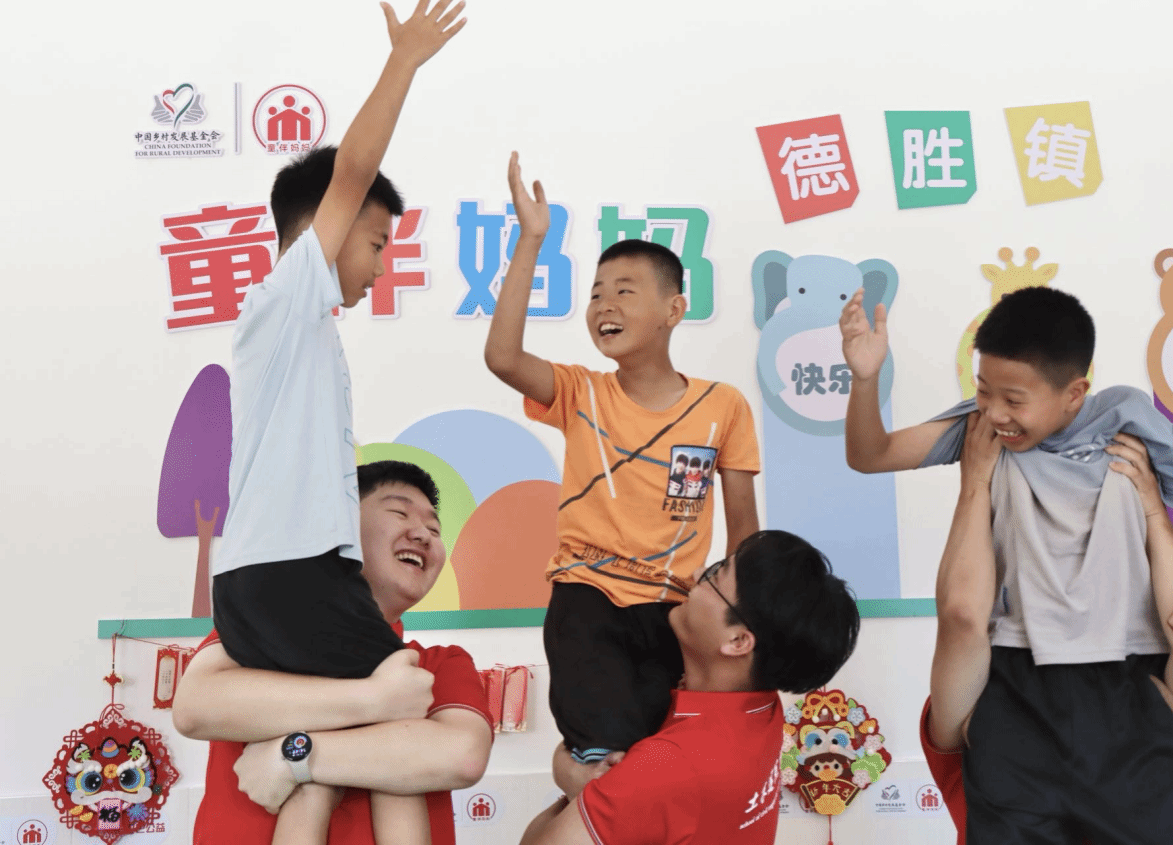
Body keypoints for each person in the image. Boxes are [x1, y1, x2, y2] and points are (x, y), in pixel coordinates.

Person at [839, 285, 1173, 842]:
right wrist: (864, 379)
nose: (996, 411)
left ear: (1075, 393)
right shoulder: (982, 429)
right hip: (1018, 665)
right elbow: (870, 454)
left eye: (1014, 399)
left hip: (1130, 663)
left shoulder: (1127, 414)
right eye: (983, 390)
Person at [204, 4, 467, 842]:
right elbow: (352, 169)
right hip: (295, 572)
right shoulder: (288, 299)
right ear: (334, 226)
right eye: (379, 243)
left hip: (266, 579)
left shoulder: (306, 334)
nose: (383, 265)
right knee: (403, 706)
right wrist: (405, 63)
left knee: (333, 739)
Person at [484, 154, 762, 795]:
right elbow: (502, 356)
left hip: (676, 612)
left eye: (625, 291)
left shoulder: (723, 406)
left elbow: (745, 533)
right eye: (595, 294)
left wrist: (741, 621)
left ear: (674, 308)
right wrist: (531, 241)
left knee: (663, 768)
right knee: (603, 767)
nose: (603, 305)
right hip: (587, 600)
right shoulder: (579, 392)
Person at [921, 417, 1173, 844]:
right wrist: (1155, 515)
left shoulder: (981, 703)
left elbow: (962, 617)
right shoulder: (1162, 712)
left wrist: (975, 488)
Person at [174, 461, 494, 845]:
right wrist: (378, 698)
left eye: (435, 529)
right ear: (341, 527)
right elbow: (195, 706)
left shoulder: (440, 664)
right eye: (399, 512)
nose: (423, 534)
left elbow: (462, 755)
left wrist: (292, 757)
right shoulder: (265, 626)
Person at [518, 529, 861, 845]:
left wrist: (571, 776)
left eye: (715, 575)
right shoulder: (765, 711)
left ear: (738, 640)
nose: (696, 574)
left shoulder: (670, 765)